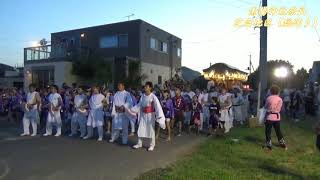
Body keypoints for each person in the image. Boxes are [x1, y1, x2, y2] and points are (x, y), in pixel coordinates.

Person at [128, 82, 166, 151]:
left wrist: (160, 117)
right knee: (140, 128)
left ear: (150, 88)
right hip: (143, 115)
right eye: (145, 86)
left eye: (146, 86)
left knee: (151, 130)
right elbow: (139, 105)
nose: (145, 88)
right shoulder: (142, 96)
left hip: (150, 116)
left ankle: (152, 145)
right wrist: (132, 110)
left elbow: (158, 107)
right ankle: (139, 143)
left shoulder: (153, 96)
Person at [264, 85, 287, 150]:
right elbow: (280, 108)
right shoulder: (280, 99)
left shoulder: (269, 98)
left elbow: (265, 107)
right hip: (277, 117)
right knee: (278, 131)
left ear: (271, 91)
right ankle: (282, 144)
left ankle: (269, 145)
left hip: (269, 117)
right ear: (278, 91)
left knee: (268, 131)